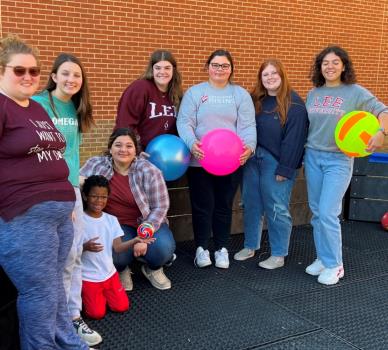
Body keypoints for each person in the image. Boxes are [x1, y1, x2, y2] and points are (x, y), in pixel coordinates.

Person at [0, 35, 89, 349]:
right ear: (1, 71)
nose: (28, 77)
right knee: (39, 292)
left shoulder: (35, 109)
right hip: (24, 217)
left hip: (59, 214)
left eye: (33, 71)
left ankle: (67, 340)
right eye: (19, 71)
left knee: (54, 287)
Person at [32, 53, 101, 346]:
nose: (71, 79)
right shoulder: (36, 104)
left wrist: (75, 189)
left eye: (77, 75)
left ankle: (73, 317)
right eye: (66, 74)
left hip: (70, 189)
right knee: (51, 260)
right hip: (43, 190)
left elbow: (72, 152)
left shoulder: (75, 107)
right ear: (54, 76)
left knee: (72, 256)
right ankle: (54, 322)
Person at [304, 45, 388, 285]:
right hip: (313, 156)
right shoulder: (314, 93)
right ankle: (322, 258)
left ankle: (335, 265)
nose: (330, 67)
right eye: (325, 63)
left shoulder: (355, 92)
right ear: (320, 67)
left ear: (344, 66)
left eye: (335, 62)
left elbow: (383, 110)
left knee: (329, 212)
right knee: (318, 212)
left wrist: (381, 132)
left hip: (338, 160)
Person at [177, 49, 256, 269]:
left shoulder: (240, 94)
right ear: (208, 67)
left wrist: (249, 147)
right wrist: (192, 143)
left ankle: (221, 248)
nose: (219, 69)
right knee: (202, 205)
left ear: (231, 69)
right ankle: (201, 248)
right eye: (215, 65)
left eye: (224, 66)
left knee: (223, 205)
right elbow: (184, 122)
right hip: (200, 160)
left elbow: (248, 125)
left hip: (231, 161)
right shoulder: (195, 93)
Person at [234, 59, 308, 268]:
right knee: (251, 204)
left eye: (274, 73)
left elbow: (295, 139)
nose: (270, 77)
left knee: (276, 207)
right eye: (265, 74)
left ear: (282, 75)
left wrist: (285, 168)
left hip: (277, 164)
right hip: (252, 160)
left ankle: (278, 254)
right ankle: (250, 246)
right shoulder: (255, 100)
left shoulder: (294, 105)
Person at [80, 127, 176, 291]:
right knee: (115, 254)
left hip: (147, 223)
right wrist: (81, 181)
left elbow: (160, 206)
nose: (123, 150)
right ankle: (121, 269)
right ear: (110, 148)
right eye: (118, 145)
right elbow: (79, 181)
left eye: (129, 146)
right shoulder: (96, 164)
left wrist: (143, 236)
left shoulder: (149, 171)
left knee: (163, 250)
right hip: (116, 226)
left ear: (136, 150)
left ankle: (152, 268)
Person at [81, 175, 154, 319]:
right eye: (94, 196)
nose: (99, 201)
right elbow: (71, 251)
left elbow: (118, 248)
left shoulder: (111, 220)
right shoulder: (79, 221)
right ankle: (89, 297)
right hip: (88, 278)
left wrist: (135, 240)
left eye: (103, 197)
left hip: (110, 275)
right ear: (85, 196)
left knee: (122, 307)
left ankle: (103, 296)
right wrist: (84, 247)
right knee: (96, 314)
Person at [115, 49, 183, 150]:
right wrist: (136, 151)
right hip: (142, 155)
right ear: (152, 69)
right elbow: (125, 123)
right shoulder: (140, 88)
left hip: (168, 155)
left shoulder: (176, 94)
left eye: (167, 68)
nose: (162, 72)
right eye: (158, 68)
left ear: (173, 70)